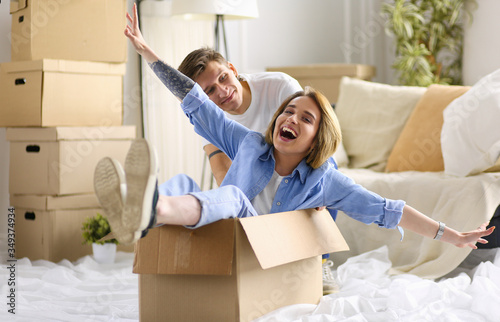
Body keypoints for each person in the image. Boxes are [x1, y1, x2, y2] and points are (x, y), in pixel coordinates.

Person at [95, 3, 494, 290]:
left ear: (318, 136)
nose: (291, 119)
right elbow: (194, 101)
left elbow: (388, 210)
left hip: (269, 245)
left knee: (232, 196)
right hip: (229, 226)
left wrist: (452, 235)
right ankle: (149, 209)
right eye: (288, 112)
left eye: (306, 118)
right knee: (212, 191)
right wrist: (147, 53)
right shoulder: (249, 143)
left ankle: (153, 208)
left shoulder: (324, 182)